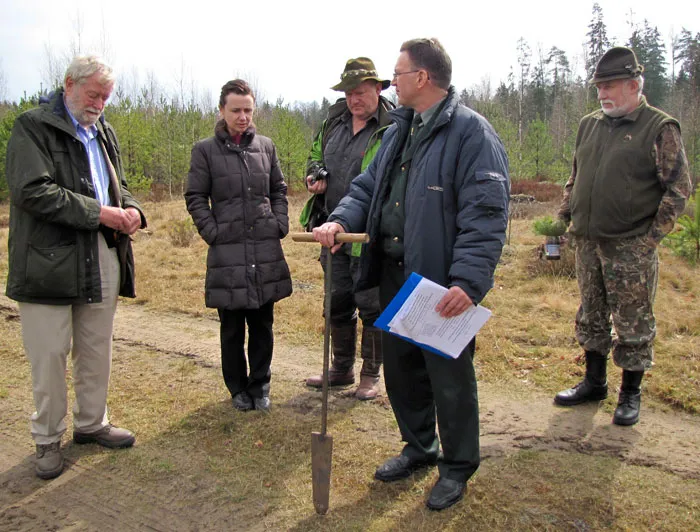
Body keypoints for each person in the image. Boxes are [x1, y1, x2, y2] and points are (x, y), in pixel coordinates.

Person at [313, 38, 509, 510]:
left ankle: (457, 467)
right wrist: (341, 219)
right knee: (402, 373)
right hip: (393, 275)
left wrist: (468, 282)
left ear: (421, 78)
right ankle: (419, 448)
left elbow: (485, 215)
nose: (391, 83)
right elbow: (366, 188)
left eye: (397, 74)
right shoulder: (399, 130)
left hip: (441, 282)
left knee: (449, 378)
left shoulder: (471, 134)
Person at [5, 55, 147, 480]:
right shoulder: (32, 126)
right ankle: (47, 439)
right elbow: (33, 191)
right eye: (93, 94)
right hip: (47, 260)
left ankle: (91, 423)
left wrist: (133, 208)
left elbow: (115, 185)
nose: (100, 103)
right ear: (68, 83)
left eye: (106, 96)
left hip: (101, 254)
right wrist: (102, 214)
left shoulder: (104, 130)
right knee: (49, 354)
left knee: (96, 346)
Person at [554, 47, 691, 426]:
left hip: (630, 246)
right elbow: (575, 176)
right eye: (599, 87)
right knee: (591, 316)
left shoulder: (659, 127)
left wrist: (649, 241)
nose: (602, 94)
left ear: (634, 85)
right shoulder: (589, 124)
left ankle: (630, 393)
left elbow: (679, 188)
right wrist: (565, 216)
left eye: (610, 86)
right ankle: (594, 383)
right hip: (587, 241)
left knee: (633, 322)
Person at [185, 79, 292, 414]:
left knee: (262, 324)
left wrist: (279, 223)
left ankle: (261, 385)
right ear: (222, 110)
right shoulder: (205, 150)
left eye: (248, 109)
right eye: (236, 110)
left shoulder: (266, 146)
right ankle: (237, 388)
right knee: (232, 328)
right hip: (227, 251)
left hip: (264, 248)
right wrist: (213, 232)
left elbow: (278, 189)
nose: (243, 116)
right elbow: (195, 197)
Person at [303, 57, 395, 400]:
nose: (354, 98)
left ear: (378, 88)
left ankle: (370, 376)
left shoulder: (392, 127)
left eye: (360, 91)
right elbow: (315, 156)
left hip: (371, 234)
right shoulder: (333, 123)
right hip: (331, 230)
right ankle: (341, 368)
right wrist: (315, 175)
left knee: (372, 303)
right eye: (348, 92)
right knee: (337, 299)